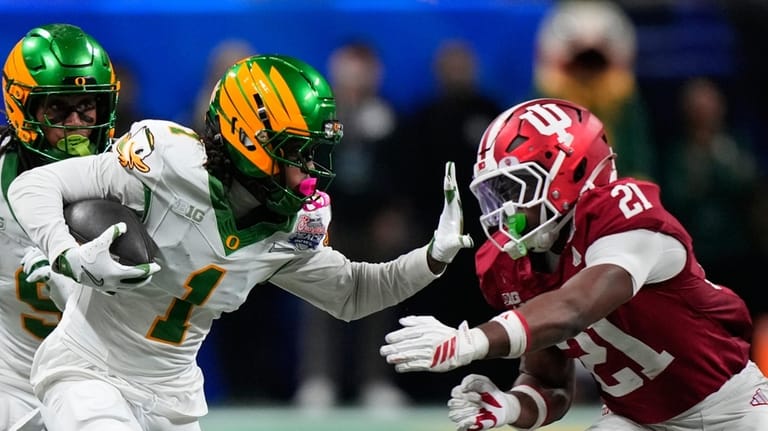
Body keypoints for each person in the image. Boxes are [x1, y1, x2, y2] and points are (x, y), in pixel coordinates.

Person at [7, 54, 473, 430]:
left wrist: (431, 258)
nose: (310, 172)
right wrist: (68, 255)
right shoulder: (166, 161)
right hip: (88, 372)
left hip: (174, 397)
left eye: (315, 154)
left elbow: (351, 293)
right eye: (297, 153)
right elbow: (32, 187)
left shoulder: (291, 223)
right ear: (250, 138)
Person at [380, 98, 768, 430]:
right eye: (497, 195)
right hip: (633, 419)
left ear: (571, 173)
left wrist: (470, 341)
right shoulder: (512, 265)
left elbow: (574, 308)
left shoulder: (624, 214)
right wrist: (510, 406)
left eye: (515, 189)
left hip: (729, 408)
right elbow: (550, 381)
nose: (505, 211)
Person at [0, 23, 119, 431]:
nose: (75, 124)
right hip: (10, 383)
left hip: (106, 378)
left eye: (87, 107)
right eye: (57, 108)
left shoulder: (135, 178)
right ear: (22, 109)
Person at [292, 40, 410, 411]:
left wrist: (394, 213)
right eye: (348, 70)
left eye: (363, 70)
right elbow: (305, 168)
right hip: (330, 223)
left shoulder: (388, 114)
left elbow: (402, 172)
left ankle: (375, 381)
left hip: (375, 226)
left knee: (378, 301)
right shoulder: (318, 118)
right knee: (319, 301)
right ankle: (317, 380)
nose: (355, 78)